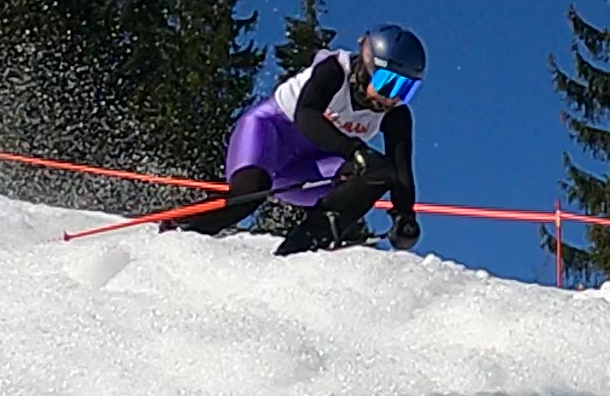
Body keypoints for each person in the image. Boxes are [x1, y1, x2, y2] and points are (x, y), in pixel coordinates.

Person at [175, 24, 424, 254]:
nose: (393, 98)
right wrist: (355, 150)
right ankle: (178, 230)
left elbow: (400, 169)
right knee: (250, 194)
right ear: (367, 67)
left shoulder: (396, 115)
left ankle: (302, 244)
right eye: (388, 84)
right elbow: (307, 116)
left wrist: (405, 216)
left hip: (312, 166)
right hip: (271, 134)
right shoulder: (334, 71)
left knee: (377, 171)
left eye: (406, 89)